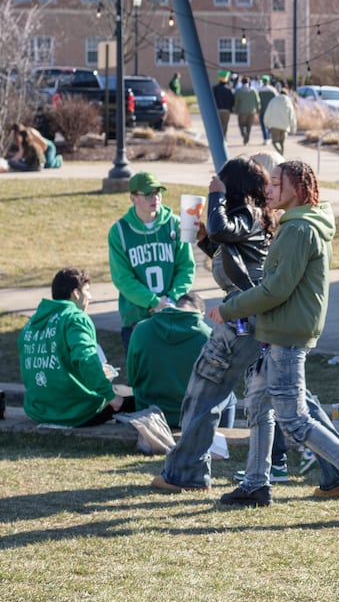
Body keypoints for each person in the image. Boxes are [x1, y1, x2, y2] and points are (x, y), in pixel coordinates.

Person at [213, 160, 339, 518]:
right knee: (258, 406)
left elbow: (277, 288)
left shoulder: (299, 230)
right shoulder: (296, 224)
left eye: (277, 183)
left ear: (297, 187)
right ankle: (255, 484)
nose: (269, 189)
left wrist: (230, 307)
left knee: (294, 420)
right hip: (279, 331)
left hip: (286, 335)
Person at [154, 156, 339, 496]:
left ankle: (185, 472)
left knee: (205, 387)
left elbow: (226, 232)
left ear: (232, 187)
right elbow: (231, 249)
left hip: (244, 316)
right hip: (259, 317)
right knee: (291, 397)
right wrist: (203, 237)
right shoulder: (257, 219)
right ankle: (338, 469)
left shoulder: (247, 215)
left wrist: (215, 196)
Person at [19, 268, 125, 427]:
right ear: (76, 293)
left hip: (39, 411)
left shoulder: (30, 324)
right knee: (136, 401)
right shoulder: (75, 318)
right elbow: (86, 359)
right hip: (74, 412)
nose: (90, 297)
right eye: (87, 291)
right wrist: (111, 397)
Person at [107, 171, 194, 353]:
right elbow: (122, 279)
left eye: (158, 192)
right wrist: (154, 302)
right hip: (136, 319)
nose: (155, 198)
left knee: (174, 377)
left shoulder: (175, 224)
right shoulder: (119, 231)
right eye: (148, 194)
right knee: (141, 378)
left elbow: (186, 268)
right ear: (133, 198)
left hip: (171, 314)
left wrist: (170, 299)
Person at [126, 292, 213, 428]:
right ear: (201, 313)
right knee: (229, 397)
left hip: (149, 412)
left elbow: (132, 377)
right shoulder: (208, 336)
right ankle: (219, 436)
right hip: (192, 414)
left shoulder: (140, 330)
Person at [262, 84, 297, 155]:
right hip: (285, 126)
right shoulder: (288, 102)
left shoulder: (273, 100)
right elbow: (292, 115)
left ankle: (279, 152)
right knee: (282, 142)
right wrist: (293, 127)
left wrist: (266, 123)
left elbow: (268, 112)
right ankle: (281, 154)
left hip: (274, 125)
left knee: (275, 142)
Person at [232, 80, 260, 146]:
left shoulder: (238, 91)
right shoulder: (254, 91)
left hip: (242, 111)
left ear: (242, 82)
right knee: (249, 125)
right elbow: (257, 101)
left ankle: (244, 134)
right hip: (252, 111)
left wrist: (235, 110)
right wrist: (258, 110)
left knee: (241, 125)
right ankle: (247, 140)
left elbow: (236, 101)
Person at [212, 73, 235, 139]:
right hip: (226, 110)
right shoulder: (228, 89)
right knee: (225, 124)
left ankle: (218, 137)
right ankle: (224, 137)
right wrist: (232, 108)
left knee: (218, 125)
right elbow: (232, 99)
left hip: (217, 109)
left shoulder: (215, 88)